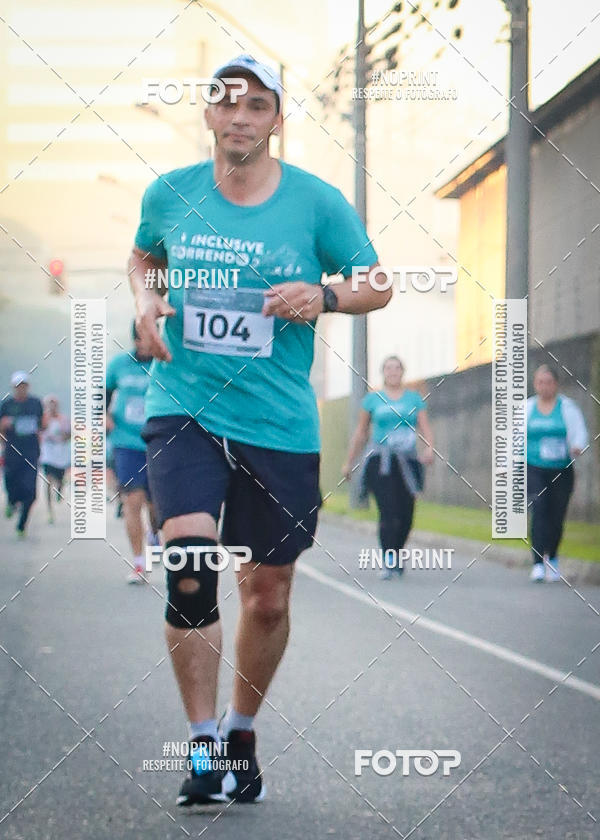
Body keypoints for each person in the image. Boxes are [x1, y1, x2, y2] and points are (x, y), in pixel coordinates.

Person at [129, 54, 389, 806]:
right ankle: (204, 743)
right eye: (226, 102)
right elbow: (146, 255)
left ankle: (242, 728)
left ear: (277, 119)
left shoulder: (316, 204)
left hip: (277, 422)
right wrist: (147, 303)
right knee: (188, 563)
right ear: (209, 115)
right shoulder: (169, 193)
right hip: (183, 405)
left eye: (256, 105)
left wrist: (325, 294)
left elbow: (378, 280)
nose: (239, 116)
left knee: (267, 593)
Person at [342, 356, 434, 579]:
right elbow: (361, 432)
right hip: (380, 462)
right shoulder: (373, 400)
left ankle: (397, 552)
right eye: (388, 368)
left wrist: (430, 449)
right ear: (383, 372)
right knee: (388, 509)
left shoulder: (414, 399)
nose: (393, 372)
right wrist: (349, 461)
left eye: (397, 368)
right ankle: (388, 559)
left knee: (406, 514)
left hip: (408, 462)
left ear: (403, 372)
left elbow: (424, 427)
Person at [106, 321, 160, 584]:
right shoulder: (119, 365)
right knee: (132, 501)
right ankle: (139, 563)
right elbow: (100, 396)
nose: (150, 342)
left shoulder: (166, 363)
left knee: (156, 506)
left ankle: (156, 535)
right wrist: (103, 417)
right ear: (136, 340)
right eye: (145, 338)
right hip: (126, 443)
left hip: (159, 443)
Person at [527, 364, 588, 583]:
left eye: (548, 382)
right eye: (540, 382)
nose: (544, 387)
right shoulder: (527, 408)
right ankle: (536, 563)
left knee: (556, 515)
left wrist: (577, 446)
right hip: (534, 467)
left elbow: (580, 434)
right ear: (535, 384)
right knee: (539, 509)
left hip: (561, 469)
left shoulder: (568, 408)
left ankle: (552, 558)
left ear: (556, 384)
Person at [0, 371, 43, 537]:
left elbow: (42, 424)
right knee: (11, 482)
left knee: (31, 492)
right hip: (11, 452)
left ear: (28, 387)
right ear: (13, 387)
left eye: (24, 386)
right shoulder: (6, 405)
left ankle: (21, 525)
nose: (21, 389)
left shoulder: (35, 403)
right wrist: (4, 426)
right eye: (18, 386)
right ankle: (11, 502)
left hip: (31, 452)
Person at [40, 395, 70, 523]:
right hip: (48, 453)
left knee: (59, 479)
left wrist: (64, 436)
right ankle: (49, 510)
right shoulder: (43, 419)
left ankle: (59, 489)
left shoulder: (63, 419)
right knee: (48, 480)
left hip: (61, 453)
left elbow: (69, 434)